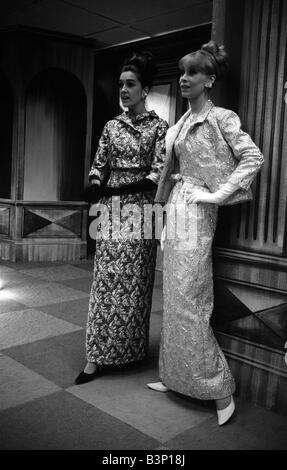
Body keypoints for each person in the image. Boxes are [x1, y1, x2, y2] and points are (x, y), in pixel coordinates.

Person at [147, 41, 264, 426]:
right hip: (177, 209)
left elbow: (253, 157)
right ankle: (175, 376)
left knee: (191, 300)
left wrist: (217, 194)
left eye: (193, 72)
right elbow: (171, 167)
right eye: (182, 72)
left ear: (209, 80)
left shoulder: (221, 118)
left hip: (198, 213)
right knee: (174, 295)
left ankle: (219, 389)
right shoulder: (180, 122)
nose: (184, 78)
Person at [75, 51, 169, 385]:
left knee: (137, 283)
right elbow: (99, 165)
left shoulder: (160, 128)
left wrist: (110, 191)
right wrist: (96, 184)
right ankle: (96, 356)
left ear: (145, 89)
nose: (124, 90)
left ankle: (130, 351)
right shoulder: (111, 126)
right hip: (111, 213)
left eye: (131, 84)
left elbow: (157, 176)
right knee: (105, 281)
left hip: (143, 210)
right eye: (121, 84)